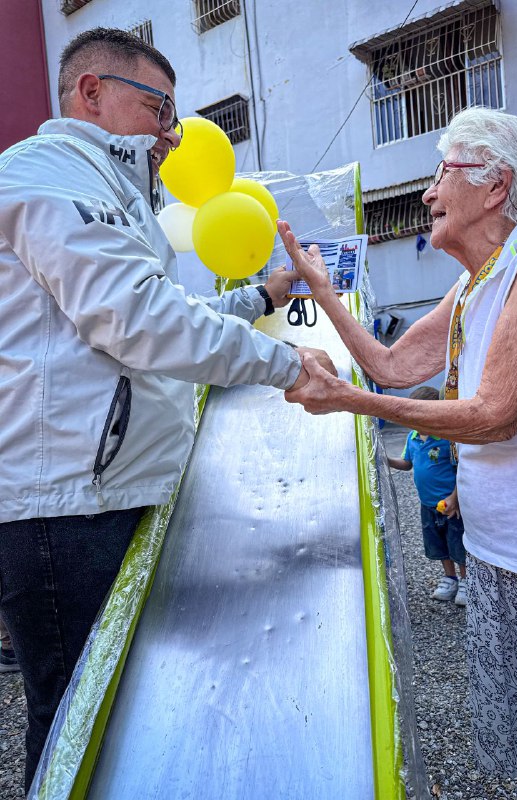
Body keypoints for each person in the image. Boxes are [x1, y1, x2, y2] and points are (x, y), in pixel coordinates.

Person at [0, 27, 336, 791]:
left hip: (102, 489)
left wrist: (257, 299)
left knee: (107, 716)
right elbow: (138, 322)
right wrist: (287, 366)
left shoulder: (108, 191)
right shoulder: (51, 177)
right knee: (75, 723)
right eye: (160, 109)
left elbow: (164, 304)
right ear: (93, 92)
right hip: (67, 507)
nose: (172, 135)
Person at [278, 108, 517, 800]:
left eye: (440, 173)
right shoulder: (481, 275)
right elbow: (391, 365)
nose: (426, 193)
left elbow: (497, 415)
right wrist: (319, 285)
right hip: (497, 551)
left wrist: (351, 402)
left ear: (494, 186)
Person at [388, 386, 467, 606]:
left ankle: (465, 580)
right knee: (438, 543)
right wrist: (386, 460)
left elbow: (462, 469)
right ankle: (449, 578)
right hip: (428, 504)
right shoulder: (412, 438)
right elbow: (407, 464)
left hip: (451, 505)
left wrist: (455, 498)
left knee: (456, 542)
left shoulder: (446, 439)